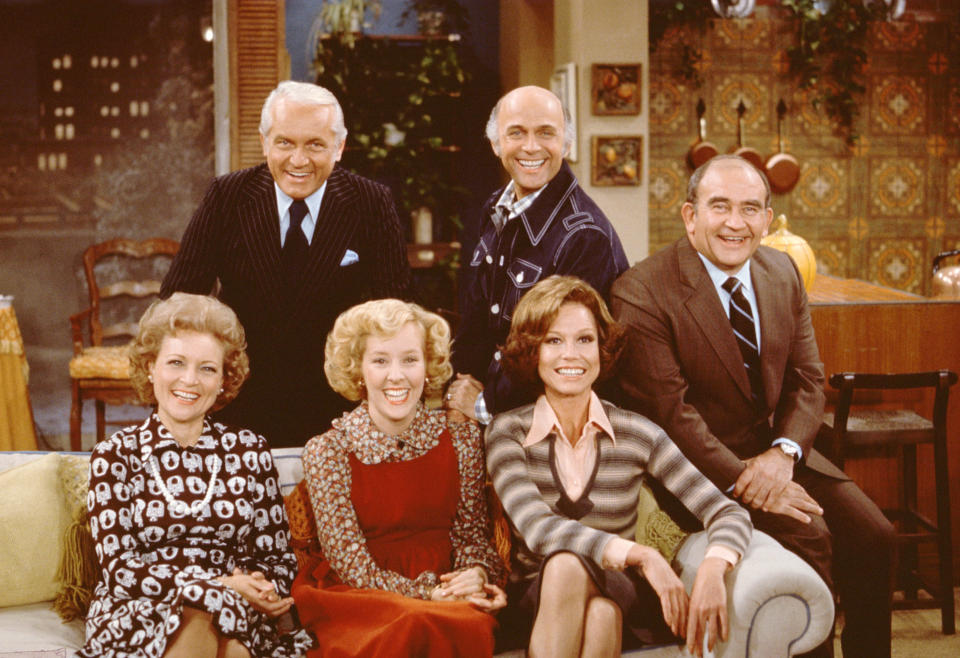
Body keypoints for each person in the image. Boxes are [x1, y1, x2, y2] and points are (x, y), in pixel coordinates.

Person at [611, 155, 895, 657]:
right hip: (698, 470)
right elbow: (670, 414)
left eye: (749, 208)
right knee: (814, 536)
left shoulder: (781, 269)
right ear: (689, 215)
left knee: (875, 535)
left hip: (780, 455)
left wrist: (783, 456)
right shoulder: (642, 290)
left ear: (767, 219)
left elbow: (808, 379)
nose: (735, 223)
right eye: (719, 206)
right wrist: (747, 479)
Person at [485, 275, 752, 657]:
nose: (571, 355)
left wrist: (713, 567)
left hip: (619, 587)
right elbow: (538, 528)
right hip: (535, 597)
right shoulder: (507, 432)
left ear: (601, 348)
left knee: (598, 597)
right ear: (533, 352)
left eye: (585, 339)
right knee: (594, 608)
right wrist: (642, 555)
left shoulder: (637, 433)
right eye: (553, 341)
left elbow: (726, 510)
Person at [161, 80, 410, 448]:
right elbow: (177, 306)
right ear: (264, 142)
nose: (298, 160)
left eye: (315, 145)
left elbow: (398, 315)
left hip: (340, 414)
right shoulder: (227, 196)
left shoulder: (372, 202)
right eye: (284, 143)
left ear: (339, 147)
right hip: (235, 407)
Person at [80, 293, 314, 657]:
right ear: (150, 368)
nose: (190, 380)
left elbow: (278, 559)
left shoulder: (249, 450)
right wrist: (219, 585)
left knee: (233, 644)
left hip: (237, 610)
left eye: (207, 368)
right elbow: (120, 569)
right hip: (142, 609)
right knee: (204, 621)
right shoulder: (115, 456)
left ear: (224, 379)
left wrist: (259, 586)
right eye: (176, 363)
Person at [291, 299, 508, 657]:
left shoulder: (462, 438)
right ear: (358, 370)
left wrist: (477, 574)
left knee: (464, 623)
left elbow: (473, 534)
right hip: (361, 594)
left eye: (410, 359)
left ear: (428, 367)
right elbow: (350, 564)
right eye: (380, 360)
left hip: (449, 592)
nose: (397, 375)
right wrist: (427, 593)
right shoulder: (327, 450)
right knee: (414, 621)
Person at [447, 85, 629, 424]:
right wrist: (457, 391)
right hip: (493, 410)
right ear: (496, 143)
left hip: (559, 424)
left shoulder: (585, 236)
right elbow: (477, 323)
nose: (531, 147)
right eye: (516, 133)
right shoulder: (495, 208)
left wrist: (482, 404)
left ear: (567, 143)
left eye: (546, 133)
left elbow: (565, 356)